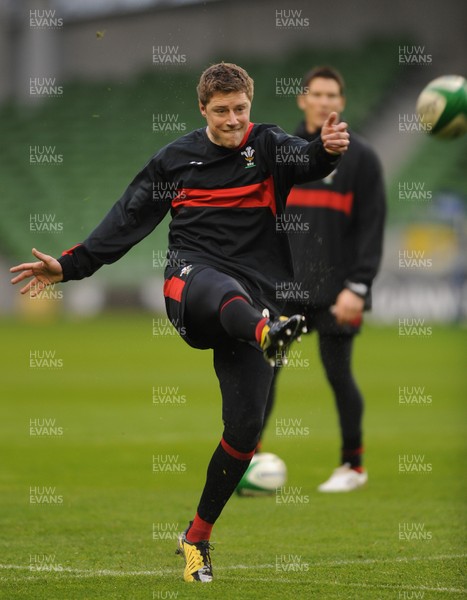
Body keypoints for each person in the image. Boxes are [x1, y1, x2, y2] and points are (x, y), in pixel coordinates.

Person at [10, 62, 349, 582]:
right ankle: (266, 333)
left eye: (240, 109)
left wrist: (326, 148)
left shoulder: (270, 145)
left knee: (245, 433)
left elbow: (305, 160)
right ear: (202, 110)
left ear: (250, 104)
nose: (234, 120)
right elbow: (125, 220)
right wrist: (69, 265)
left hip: (255, 299)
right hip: (190, 284)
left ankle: (196, 538)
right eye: (222, 112)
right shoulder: (175, 162)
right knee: (223, 291)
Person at [262, 66, 386, 493]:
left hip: (338, 292)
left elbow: (372, 227)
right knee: (265, 371)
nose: (325, 101)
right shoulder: (284, 151)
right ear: (303, 99)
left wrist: (359, 286)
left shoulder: (363, 159)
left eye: (333, 95)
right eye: (317, 94)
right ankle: (250, 458)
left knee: (339, 374)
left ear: (342, 102)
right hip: (285, 288)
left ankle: (353, 466)